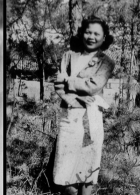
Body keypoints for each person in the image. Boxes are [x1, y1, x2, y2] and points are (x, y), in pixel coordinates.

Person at [53, 15, 115, 195]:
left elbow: (93, 86)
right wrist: (76, 98)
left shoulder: (106, 62)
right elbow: (58, 84)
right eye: (88, 32)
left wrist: (69, 81)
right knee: (65, 166)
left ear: (104, 38)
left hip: (92, 117)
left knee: (89, 163)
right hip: (70, 115)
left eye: (97, 34)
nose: (91, 37)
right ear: (82, 34)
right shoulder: (68, 56)